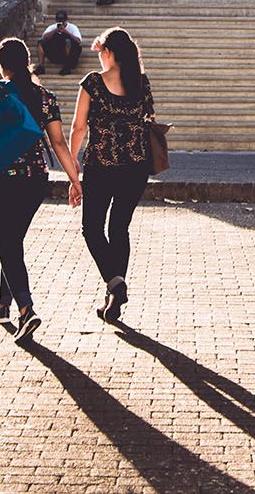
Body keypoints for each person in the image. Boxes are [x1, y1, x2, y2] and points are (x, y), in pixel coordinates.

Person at [0, 38, 82, 342]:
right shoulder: (46, 97)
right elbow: (58, 143)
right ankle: (3, 305)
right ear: (28, 61)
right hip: (34, 179)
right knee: (11, 241)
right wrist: (74, 179)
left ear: (1, 64)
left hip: (0, 178)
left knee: (8, 244)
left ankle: (26, 310)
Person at [68, 26, 157, 324]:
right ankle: (113, 301)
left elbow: (79, 127)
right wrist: (105, 46)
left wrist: (72, 166)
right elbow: (150, 120)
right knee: (119, 229)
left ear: (108, 54)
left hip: (101, 166)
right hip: (136, 166)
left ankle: (115, 284)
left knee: (92, 228)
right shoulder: (141, 83)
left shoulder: (93, 83)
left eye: (103, 52)